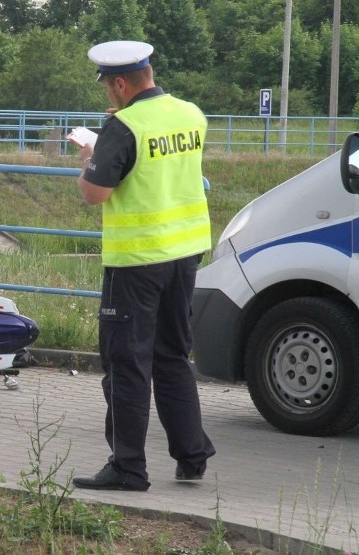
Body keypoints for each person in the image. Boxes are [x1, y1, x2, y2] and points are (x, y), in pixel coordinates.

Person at [68, 40, 216, 492]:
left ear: (119, 83)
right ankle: (192, 457)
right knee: (173, 356)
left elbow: (95, 193)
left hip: (136, 262)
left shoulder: (124, 127)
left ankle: (128, 468)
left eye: (107, 88)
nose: (108, 97)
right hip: (184, 254)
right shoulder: (191, 113)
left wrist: (89, 158)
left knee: (126, 363)